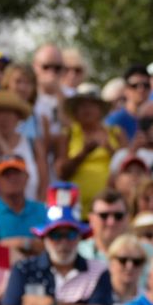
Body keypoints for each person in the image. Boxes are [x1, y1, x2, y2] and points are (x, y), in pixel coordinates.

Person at [56, 85, 125, 214]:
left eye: (92, 105)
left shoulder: (116, 133)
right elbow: (61, 172)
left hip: (110, 209)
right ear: (75, 111)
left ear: (100, 109)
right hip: (75, 207)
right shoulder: (68, 134)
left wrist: (110, 150)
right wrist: (84, 153)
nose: (87, 109)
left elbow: (127, 166)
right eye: (82, 106)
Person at [0, 90, 48, 201]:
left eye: (9, 112)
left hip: (32, 207)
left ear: (18, 117)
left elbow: (44, 183)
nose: (3, 118)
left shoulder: (33, 143)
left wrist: (38, 209)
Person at [0, 158, 46, 257]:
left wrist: (24, 243)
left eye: (17, 173)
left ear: (27, 176)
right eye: (6, 174)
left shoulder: (42, 210)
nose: (12, 178)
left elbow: (54, 245)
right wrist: (30, 244)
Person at [79, 188, 132, 262]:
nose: (111, 222)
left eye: (118, 216)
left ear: (128, 218)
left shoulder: (145, 253)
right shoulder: (76, 253)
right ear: (91, 219)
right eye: (104, 215)